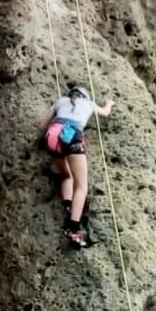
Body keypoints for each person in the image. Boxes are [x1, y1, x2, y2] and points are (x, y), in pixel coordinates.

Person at [42, 81, 114, 250]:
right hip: (71, 134)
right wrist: (109, 103)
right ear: (85, 96)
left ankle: (68, 206)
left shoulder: (61, 101)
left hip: (52, 136)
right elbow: (105, 113)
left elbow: (42, 125)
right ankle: (73, 228)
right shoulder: (89, 103)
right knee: (81, 186)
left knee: (66, 175)